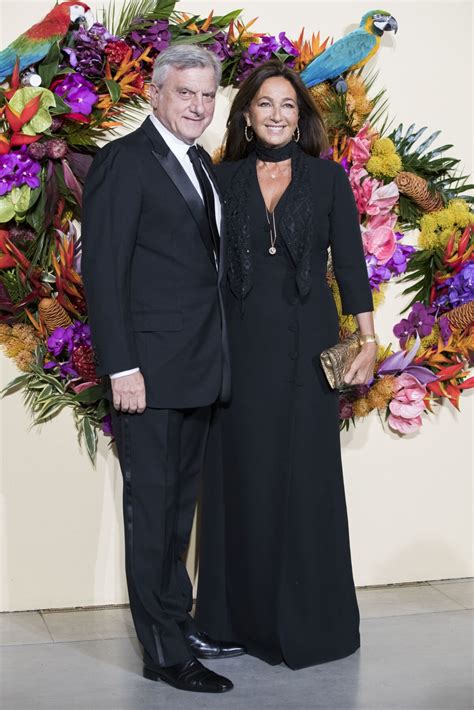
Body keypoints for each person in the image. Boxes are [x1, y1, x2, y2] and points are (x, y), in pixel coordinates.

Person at [195, 59, 377, 670]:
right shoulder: (221, 181)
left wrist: (369, 339)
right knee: (240, 479)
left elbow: (351, 266)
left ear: (302, 118)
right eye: (265, 104)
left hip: (308, 351)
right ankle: (228, 620)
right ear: (247, 114)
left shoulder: (327, 182)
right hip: (238, 353)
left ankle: (311, 621)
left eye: (288, 105)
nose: (277, 114)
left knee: (305, 480)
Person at [81, 45, 245, 694]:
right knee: (152, 513)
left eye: (207, 97)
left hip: (199, 370)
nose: (199, 108)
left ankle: (176, 628)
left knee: (178, 513)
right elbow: (104, 273)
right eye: (186, 94)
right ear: (155, 94)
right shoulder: (126, 161)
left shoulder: (200, 162)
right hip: (146, 375)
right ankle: (163, 652)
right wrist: (122, 366)